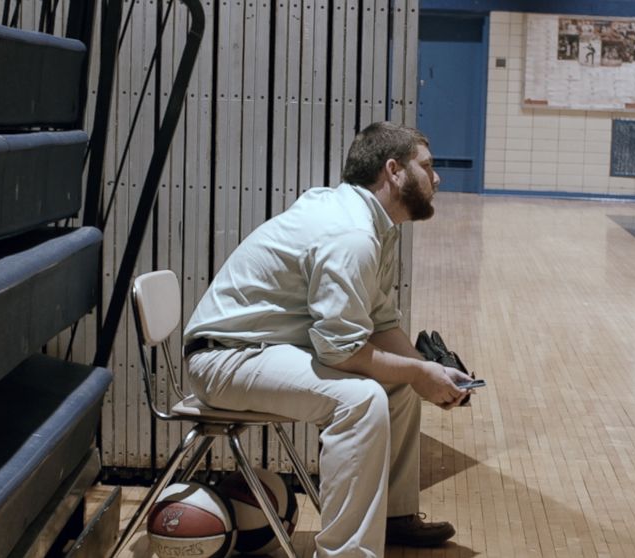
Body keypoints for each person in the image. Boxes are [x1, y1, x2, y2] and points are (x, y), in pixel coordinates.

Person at [182, 121, 471, 557]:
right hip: (225, 358)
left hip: (262, 349)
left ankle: (392, 517)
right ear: (393, 171)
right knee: (359, 400)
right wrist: (420, 370)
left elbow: (379, 322)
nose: (437, 178)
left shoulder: (376, 224)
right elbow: (342, 350)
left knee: (400, 385)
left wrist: (427, 373)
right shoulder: (352, 234)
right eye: (426, 167)